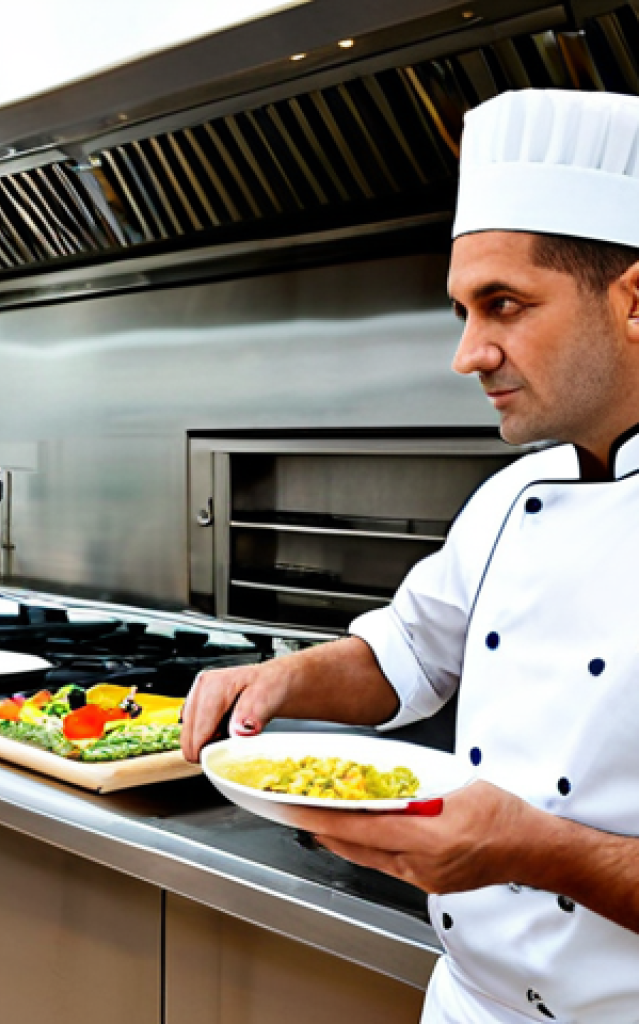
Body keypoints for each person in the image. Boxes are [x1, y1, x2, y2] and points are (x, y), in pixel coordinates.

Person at [183, 88, 639, 1023]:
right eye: (464, 311)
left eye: (503, 305)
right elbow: (409, 655)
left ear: (634, 302)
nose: (469, 353)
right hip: (467, 1005)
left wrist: (538, 851)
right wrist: (282, 681)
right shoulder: (511, 496)